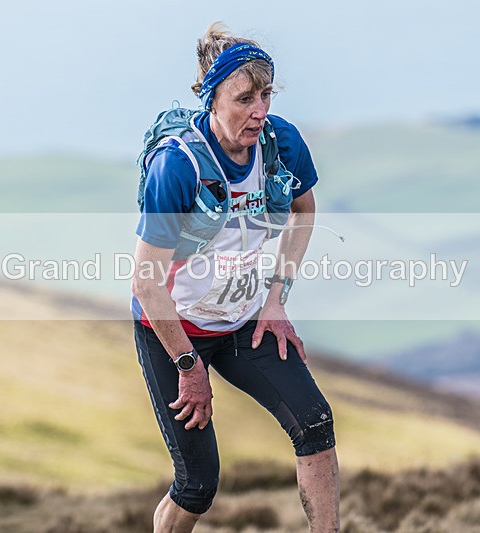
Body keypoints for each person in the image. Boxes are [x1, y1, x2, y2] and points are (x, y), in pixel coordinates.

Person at [131, 22, 339, 532]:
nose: (259, 111)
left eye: (266, 95)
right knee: (197, 485)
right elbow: (146, 283)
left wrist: (276, 298)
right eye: (245, 98)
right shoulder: (177, 166)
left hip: (245, 321)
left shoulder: (281, 143)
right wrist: (187, 365)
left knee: (316, 424)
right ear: (211, 99)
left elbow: (304, 210)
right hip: (174, 331)